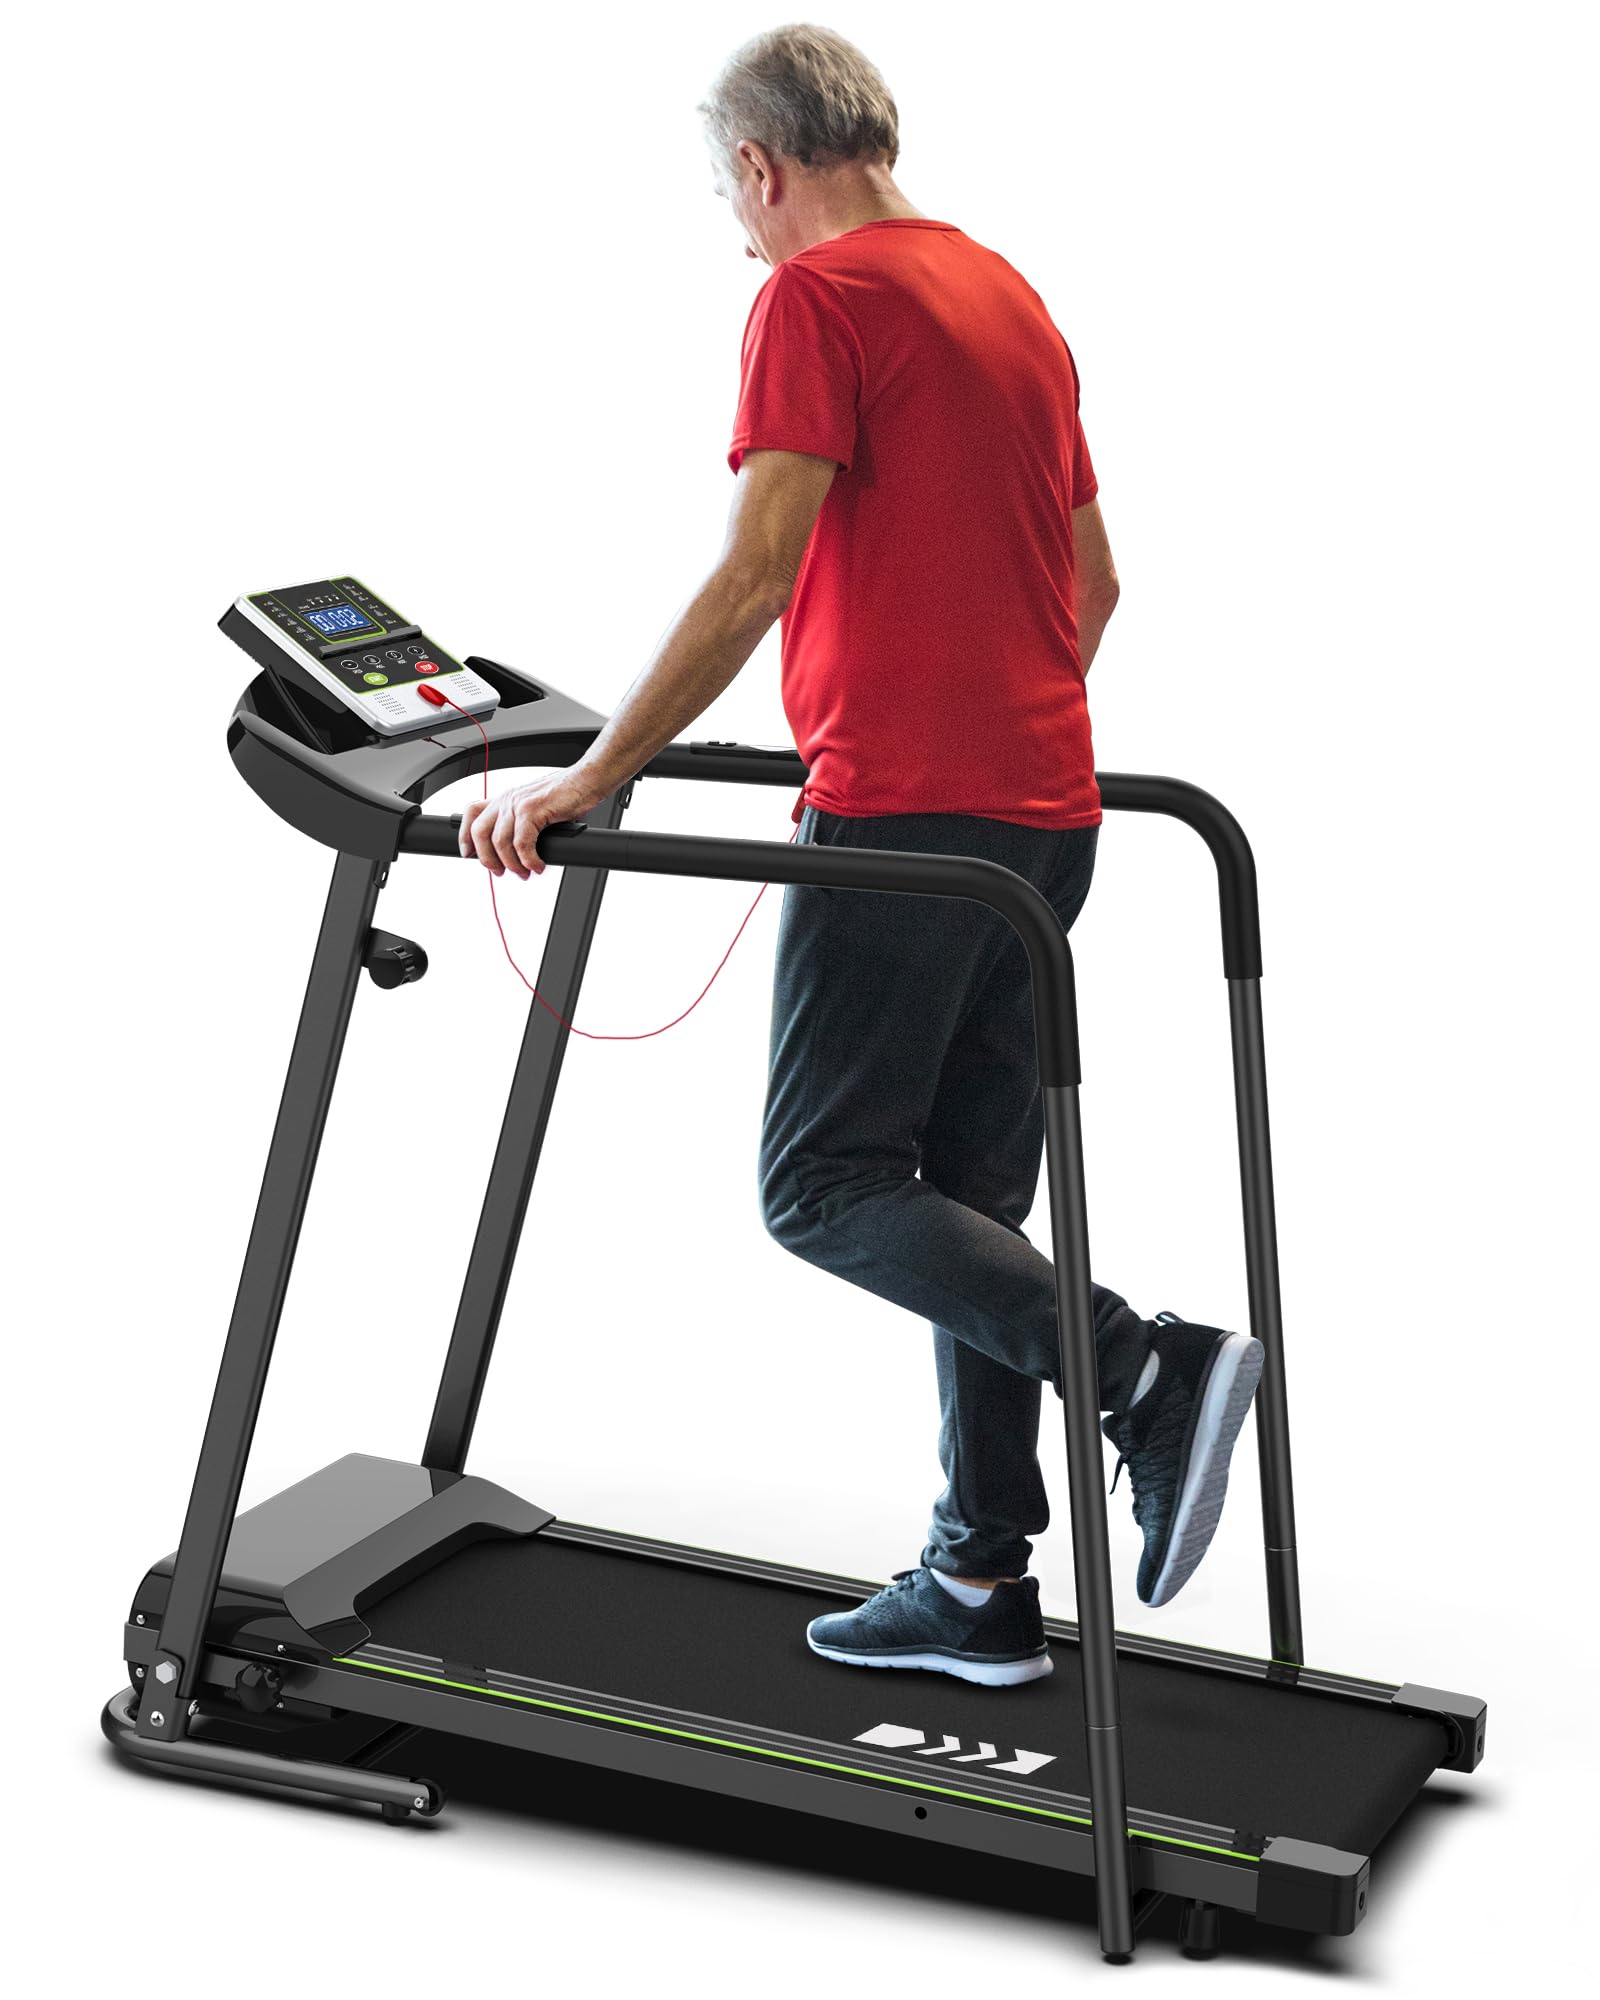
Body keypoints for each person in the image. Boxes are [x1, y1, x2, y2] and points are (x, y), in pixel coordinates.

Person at [460, 24, 1264, 1687]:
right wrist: (991, 725)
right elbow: (1094, 580)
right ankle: (978, 1583)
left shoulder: (812, 302)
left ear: (762, 167)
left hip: (907, 818)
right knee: (964, 1203)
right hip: (1049, 816)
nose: (732, 230)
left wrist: (587, 780)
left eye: (725, 195)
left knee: (822, 1187)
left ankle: (1142, 1373)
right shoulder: (1009, 298)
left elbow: (759, 574)